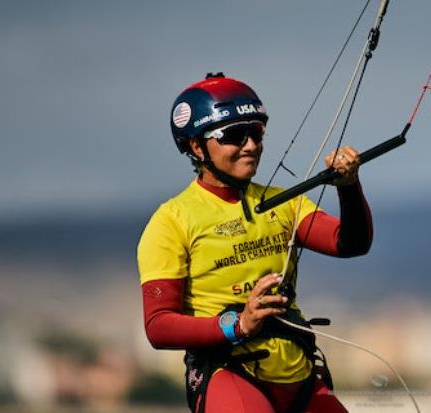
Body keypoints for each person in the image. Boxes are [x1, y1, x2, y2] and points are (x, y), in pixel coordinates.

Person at [137, 72, 372, 413]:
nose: (251, 145)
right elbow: (158, 326)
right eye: (234, 135)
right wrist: (240, 324)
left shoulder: (285, 202)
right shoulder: (171, 220)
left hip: (298, 374)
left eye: (256, 132)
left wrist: (349, 187)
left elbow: (350, 243)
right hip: (229, 373)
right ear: (196, 146)